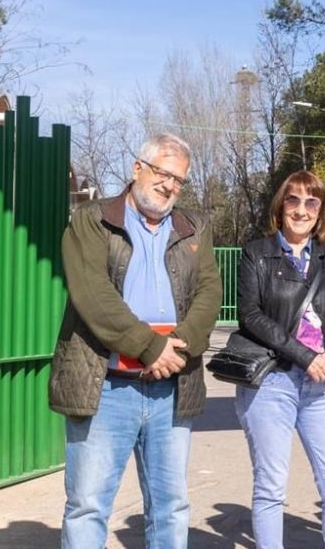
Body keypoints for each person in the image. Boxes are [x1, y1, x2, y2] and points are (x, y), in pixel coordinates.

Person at [52, 133, 221, 549]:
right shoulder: (91, 220)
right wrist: (151, 346)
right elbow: (92, 294)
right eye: (163, 172)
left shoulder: (193, 227)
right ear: (137, 168)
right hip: (105, 387)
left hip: (171, 387)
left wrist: (176, 347)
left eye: (179, 180)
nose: (169, 186)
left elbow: (209, 291)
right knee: (88, 506)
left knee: (171, 507)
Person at [233, 170, 325, 548]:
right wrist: (306, 357)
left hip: (324, 388)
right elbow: (251, 316)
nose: (301, 210)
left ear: (320, 212)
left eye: (311, 202)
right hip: (273, 382)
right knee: (271, 487)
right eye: (293, 200)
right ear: (280, 205)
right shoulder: (257, 254)